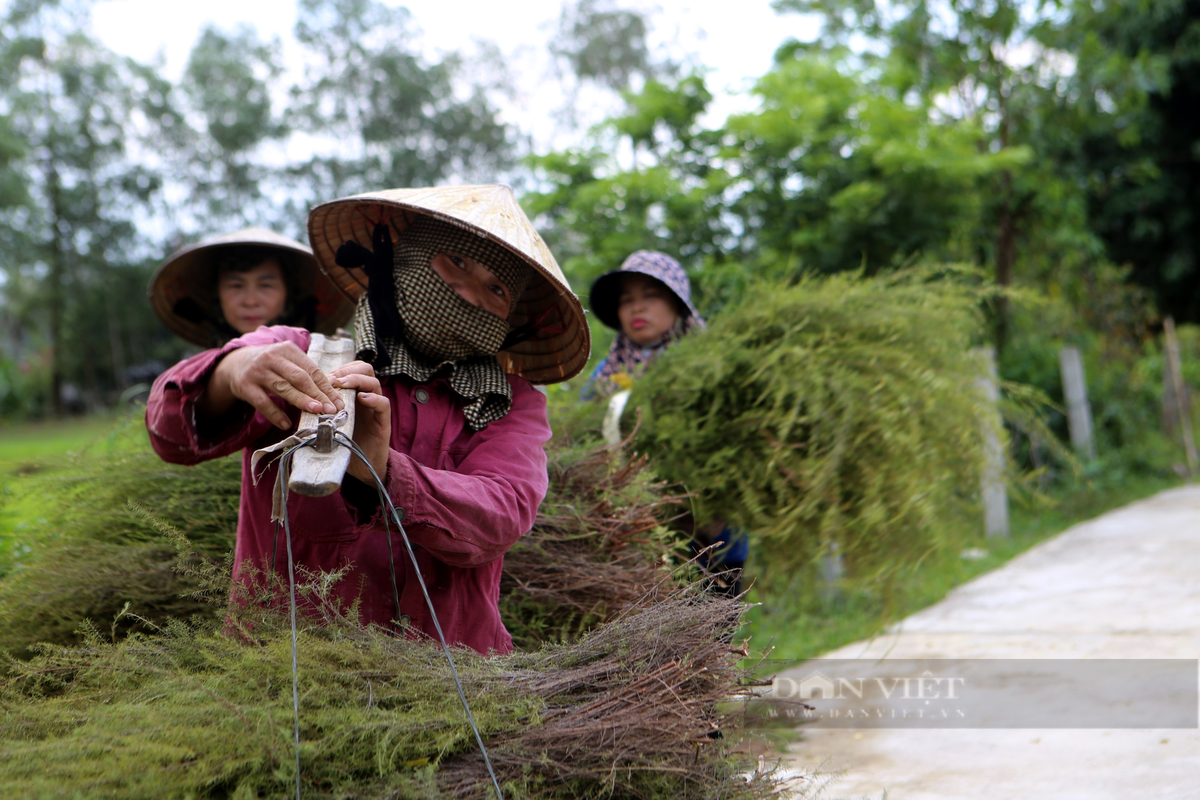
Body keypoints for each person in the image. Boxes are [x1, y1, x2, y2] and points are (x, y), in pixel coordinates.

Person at [145, 185, 590, 655]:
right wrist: (229, 371)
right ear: (406, 257)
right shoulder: (306, 358)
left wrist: (384, 473)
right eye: (454, 263)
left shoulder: (511, 402)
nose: (466, 291)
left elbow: (503, 513)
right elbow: (171, 436)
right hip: (291, 671)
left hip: (454, 673)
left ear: (510, 317)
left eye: (496, 288)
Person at [584, 250, 747, 595]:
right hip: (640, 530)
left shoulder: (709, 360)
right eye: (626, 300)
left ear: (677, 303)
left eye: (650, 296)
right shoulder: (607, 375)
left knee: (711, 626)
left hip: (712, 527)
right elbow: (581, 431)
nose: (637, 308)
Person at [148, 227, 355, 347]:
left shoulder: (330, 363)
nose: (250, 301)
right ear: (217, 294)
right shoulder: (197, 378)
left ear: (289, 293)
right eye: (236, 285)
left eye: (265, 285)